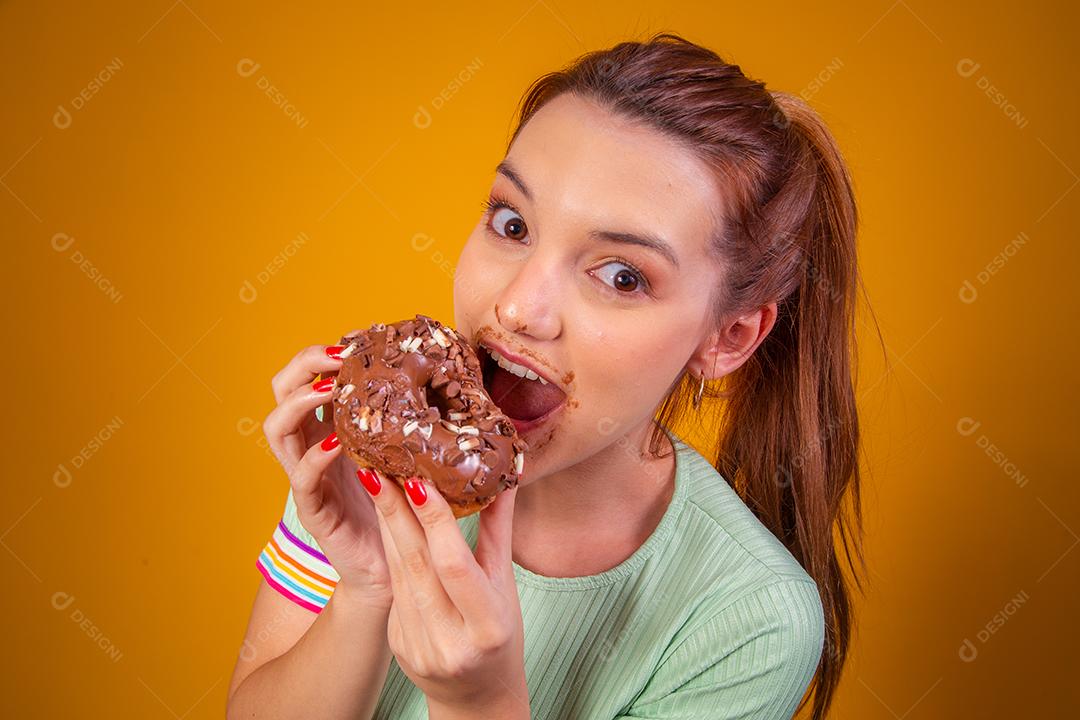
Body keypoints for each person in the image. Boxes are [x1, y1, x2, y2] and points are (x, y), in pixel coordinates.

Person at [227, 32, 870, 720]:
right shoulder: (384, 441)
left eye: (622, 276)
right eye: (512, 224)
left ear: (728, 337)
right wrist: (365, 589)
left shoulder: (749, 621)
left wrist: (480, 701)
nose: (516, 307)